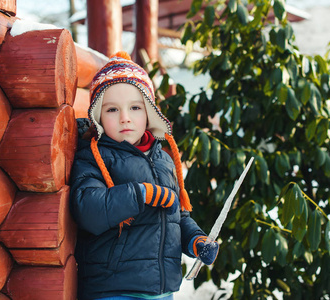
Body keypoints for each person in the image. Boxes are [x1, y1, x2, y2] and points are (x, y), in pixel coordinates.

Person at [69, 51, 219, 300]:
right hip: (114, 289)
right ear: (97, 115)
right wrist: (141, 193)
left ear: (149, 112)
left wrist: (196, 240)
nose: (125, 117)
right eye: (112, 109)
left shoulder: (163, 160)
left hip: (161, 290)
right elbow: (88, 209)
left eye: (135, 107)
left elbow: (177, 216)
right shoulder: (94, 156)